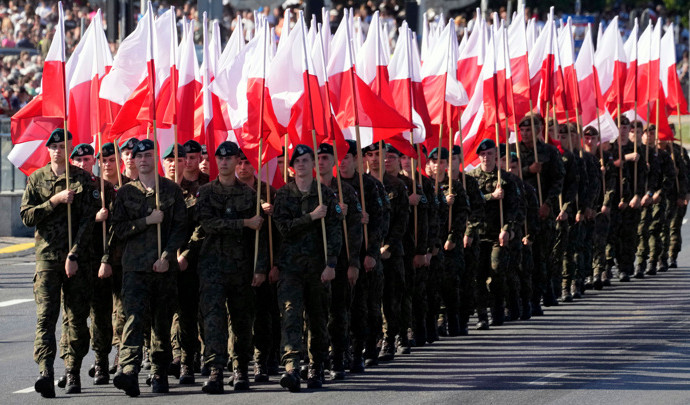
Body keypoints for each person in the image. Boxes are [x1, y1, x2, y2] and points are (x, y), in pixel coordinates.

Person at [20, 129, 97, 398]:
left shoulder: (84, 180)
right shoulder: (37, 179)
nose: (57, 150)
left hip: (76, 260)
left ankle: (73, 370)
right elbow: (27, 216)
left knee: (75, 318)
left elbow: (89, 223)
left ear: (69, 148)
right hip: (47, 260)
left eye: (62, 146)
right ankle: (46, 372)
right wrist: (53, 201)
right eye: (53, 147)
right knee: (45, 318)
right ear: (48, 150)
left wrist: (74, 254)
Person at [111, 139, 188, 397]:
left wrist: (167, 256)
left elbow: (180, 228)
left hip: (163, 268)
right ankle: (130, 371)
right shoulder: (124, 193)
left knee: (161, 323)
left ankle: (159, 372)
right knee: (133, 320)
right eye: (138, 155)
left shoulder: (171, 191)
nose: (142, 159)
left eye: (147, 155)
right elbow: (118, 229)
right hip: (134, 268)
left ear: (155, 158)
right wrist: (146, 220)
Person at [197, 141, 267, 394]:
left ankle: (241, 369)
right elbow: (208, 224)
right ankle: (216, 370)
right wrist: (243, 223)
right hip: (212, 267)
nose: (224, 162)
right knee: (214, 320)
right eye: (221, 158)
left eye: (230, 158)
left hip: (241, 267)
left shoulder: (249, 194)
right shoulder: (205, 192)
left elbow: (260, 238)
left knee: (241, 320)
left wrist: (259, 268)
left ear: (238, 161)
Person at [273, 145, 342, 392]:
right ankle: (291, 367)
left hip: (317, 268)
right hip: (291, 268)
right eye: (297, 161)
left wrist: (331, 264)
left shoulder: (325, 195)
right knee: (291, 315)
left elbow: (335, 232)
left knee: (318, 319)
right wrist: (311, 217)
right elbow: (283, 228)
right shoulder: (283, 195)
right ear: (291, 166)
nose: (301, 164)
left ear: (313, 164)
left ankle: (316, 365)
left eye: (305, 160)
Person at [70, 143, 117, 386]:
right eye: (78, 160)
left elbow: (114, 229)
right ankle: (71, 367)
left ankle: (101, 362)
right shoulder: (65, 189)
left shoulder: (104, 188)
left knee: (101, 315)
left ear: (92, 162)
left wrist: (106, 259)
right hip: (74, 262)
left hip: (97, 260)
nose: (82, 163)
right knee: (73, 318)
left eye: (87, 159)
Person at [316, 143, 362, 379]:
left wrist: (354, 263)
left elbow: (355, 229)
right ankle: (318, 359)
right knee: (315, 314)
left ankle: (338, 358)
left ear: (333, 162)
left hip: (341, 260)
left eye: (326, 157)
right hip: (313, 262)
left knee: (339, 311)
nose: (321, 162)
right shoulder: (306, 191)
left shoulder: (345, 191)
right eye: (318, 158)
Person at [339, 140, 385, 373]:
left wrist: (372, 253)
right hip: (340, 257)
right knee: (341, 308)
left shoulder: (369, 185)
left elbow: (380, 221)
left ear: (357, 158)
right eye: (340, 156)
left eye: (347, 156)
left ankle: (364, 350)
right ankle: (342, 351)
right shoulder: (329, 186)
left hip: (365, 256)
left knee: (365, 308)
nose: (343, 161)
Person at [468, 139, 519, 328]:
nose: (486, 157)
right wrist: (491, 196)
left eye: (489, 154)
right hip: (478, 234)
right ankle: (482, 315)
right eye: (482, 154)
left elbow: (514, 208)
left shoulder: (505, 179)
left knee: (496, 274)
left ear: (496, 156)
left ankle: (497, 311)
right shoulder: (471, 179)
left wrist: (507, 229)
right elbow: (471, 203)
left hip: (497, 234)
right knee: (478, 276)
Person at [170, 139, 209, 383]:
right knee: (182, 313)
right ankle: (184, 360)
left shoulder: (208, 187)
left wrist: (186, 253)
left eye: (193, 156)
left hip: (201, 258)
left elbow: (202, 225)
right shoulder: (170, 188)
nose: (188, 161)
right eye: (185, 157)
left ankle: (206, 355)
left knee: (204, 310)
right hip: (174, 260)